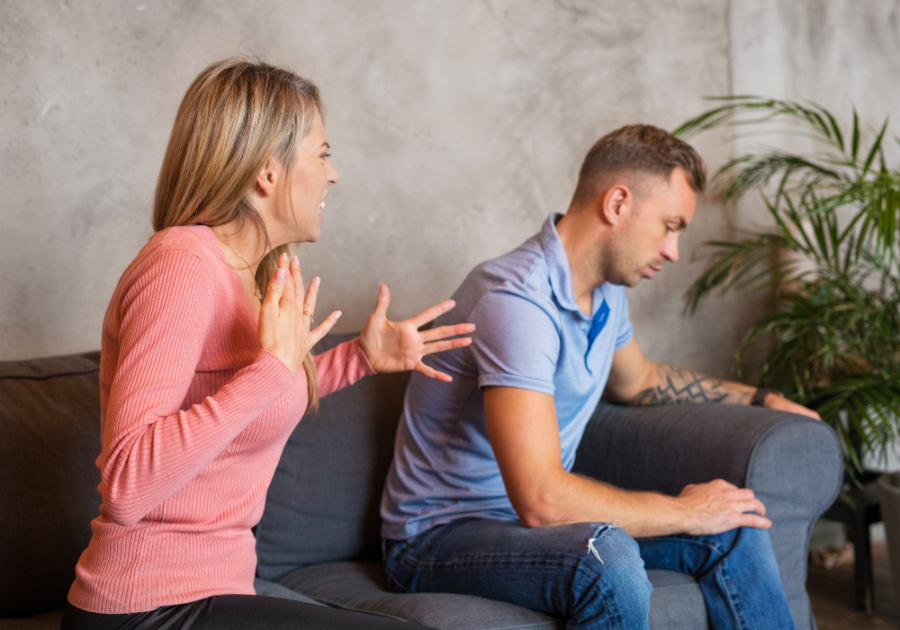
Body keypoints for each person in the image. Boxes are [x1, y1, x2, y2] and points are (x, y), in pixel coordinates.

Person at [61, 59, 473, 630]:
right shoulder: (180, 265)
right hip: (145, 608)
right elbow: (128, 483)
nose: (334, 175)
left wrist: (360, 358)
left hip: (217, 593)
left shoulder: (249, 278)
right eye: (323, 154)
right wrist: (270, 371)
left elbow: (252, 400)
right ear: (266, 173)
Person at [380, 125, 821, 630]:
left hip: (520, 526)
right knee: (603, 555)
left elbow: (640, 380)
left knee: (734, 526)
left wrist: (760, 399)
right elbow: (542, 501)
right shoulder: (517, 302)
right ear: (617, 204)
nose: (674, 250)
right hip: (434, 538)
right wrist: (686, 511)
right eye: (670, 226)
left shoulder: (606, 293)